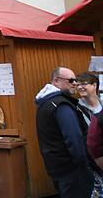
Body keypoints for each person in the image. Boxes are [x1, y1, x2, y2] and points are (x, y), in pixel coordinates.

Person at [36, 67, 93, 197]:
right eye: (71, 80)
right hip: (72, 170)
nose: (75, 84)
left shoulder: (45, 103)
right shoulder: (61, 105)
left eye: (76, 80)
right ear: (56, 81)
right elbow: (74, 138)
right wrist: (84, 166)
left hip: (57, 168)